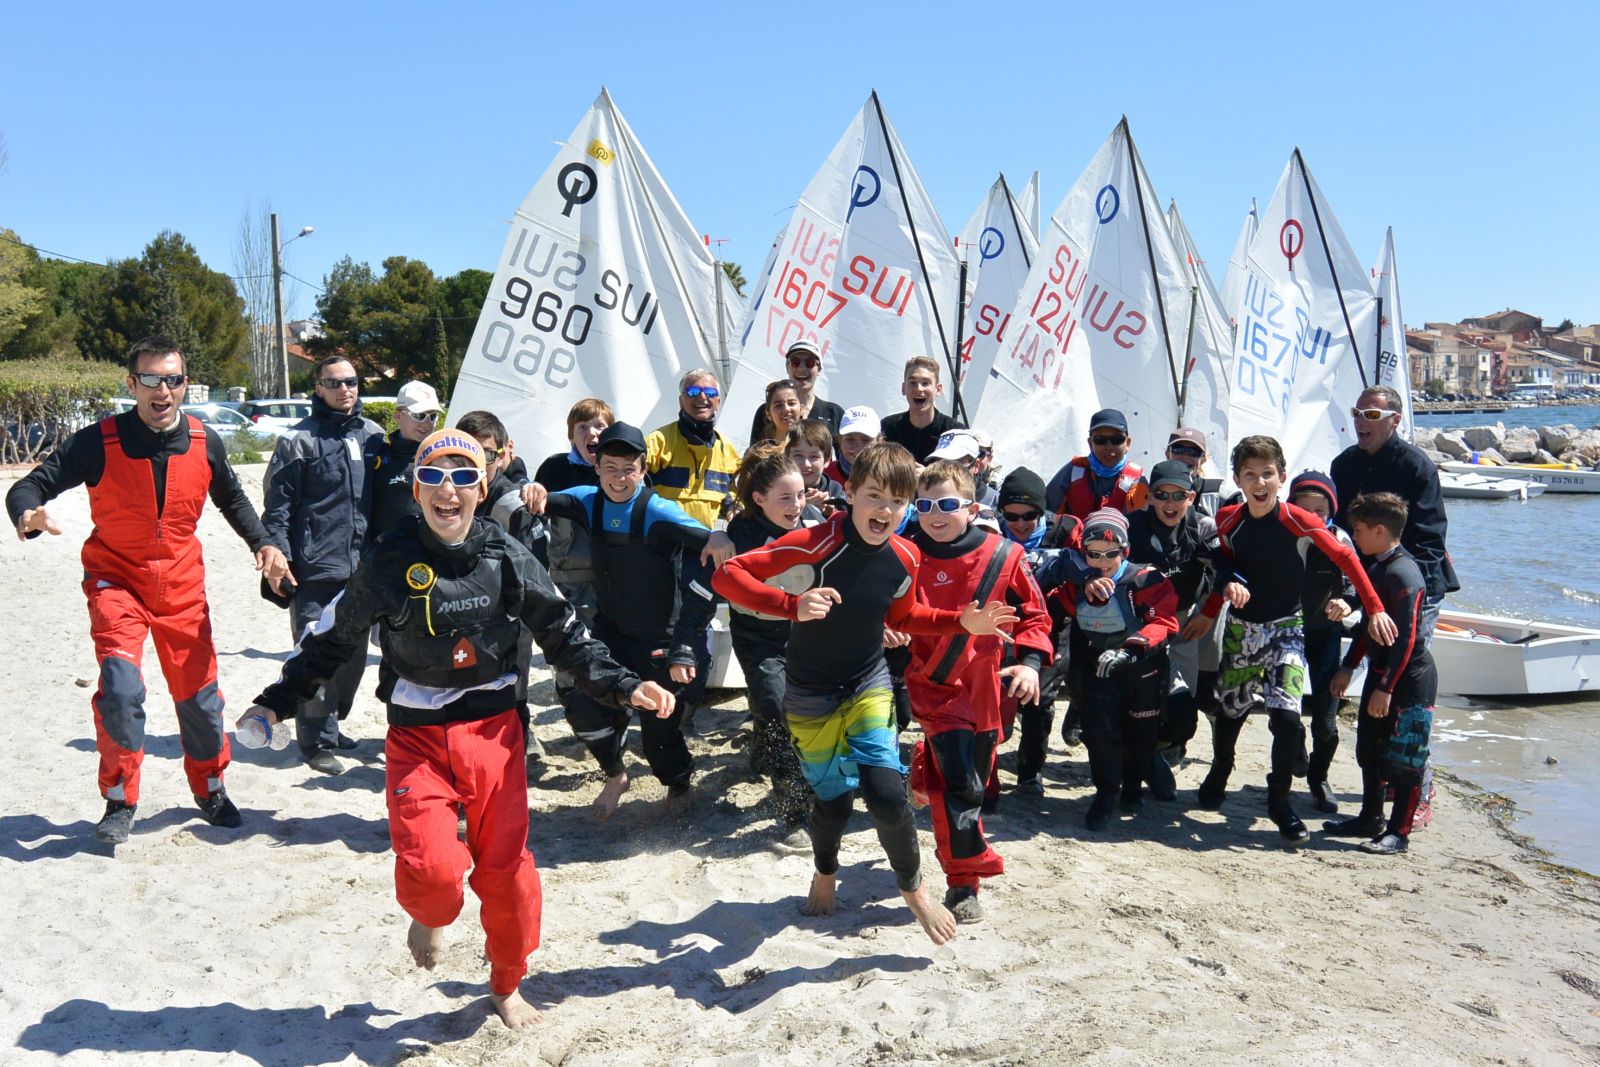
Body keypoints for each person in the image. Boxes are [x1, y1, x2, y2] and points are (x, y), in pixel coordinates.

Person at [237, 429, 675, 1029]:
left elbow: (565, 634)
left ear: (482, 487)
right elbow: (331, 641)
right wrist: (272, 704)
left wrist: (626, 685)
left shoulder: (506, 555)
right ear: (416, 489)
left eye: (464, 476)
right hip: (416, 740)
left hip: (495, 736)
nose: (450, 490)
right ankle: (429, 914)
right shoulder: (388, 559)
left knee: (509, 875)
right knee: (433, 873)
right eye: (435, 477)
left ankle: (506, 983)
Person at [712, 442, 1019, 945]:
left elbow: (904, 616)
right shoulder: (814, 542)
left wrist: (961, 621)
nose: (885, 510)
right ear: (849, 492)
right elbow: (727, 575)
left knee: (886, 792)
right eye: (874, 496)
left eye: (898, 501)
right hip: (810, 693)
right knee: (833, 804)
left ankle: (915, 890)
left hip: (867, 681)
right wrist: (792, 605)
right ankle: (825, 870)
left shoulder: (906, 554)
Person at [6, 336, 288, 844]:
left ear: (185, 383)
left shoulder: (204, 440)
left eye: (173, 380)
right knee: (120, 690)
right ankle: (119, 800)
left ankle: (210, 787)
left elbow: (232, 499)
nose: (164, 391)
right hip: (116, 582)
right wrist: (28, 513)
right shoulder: (99, 441)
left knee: (200, 699)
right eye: (152, 380)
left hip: (181, 586)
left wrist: (264, 543)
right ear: (132, 384)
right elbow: (28, 486)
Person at [1190, 436, 1394, 845]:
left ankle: (1279, 801)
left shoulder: (1299, 520)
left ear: (1281, 477)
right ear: (1237, 480)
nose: (1260, 482)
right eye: (1250, 475)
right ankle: (1221, 768)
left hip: (1287, 628)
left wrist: (1373, 608)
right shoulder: (1228, 520)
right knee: (1231, 711)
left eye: (1268, 474)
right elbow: (1226, 567)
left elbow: (1347, 558)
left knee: (1286, 718)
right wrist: (1210, 611)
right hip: (1242, 630)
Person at [540, 423, 727, 819]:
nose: (619, 478)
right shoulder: (588, 501)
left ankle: (678, 782)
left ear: (643, 470)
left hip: (658, 638)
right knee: (583, 705)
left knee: (658, 728)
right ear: (597, 467)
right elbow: (544, 499)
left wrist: (720, 539)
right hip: (609, 631)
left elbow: (708, 539)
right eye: (611, 467)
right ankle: (615, 773)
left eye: (629, 468)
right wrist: (533, 491)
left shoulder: (656, 510)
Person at [904, 461, 1052, 921]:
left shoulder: (1005, 555)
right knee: (963, 785)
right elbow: (881, 608)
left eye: (947, 504)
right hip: (933, 683)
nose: (935, 515)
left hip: (987, 687)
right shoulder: (904, 554)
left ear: (971, 508)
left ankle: (920, 772)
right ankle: (963, 883)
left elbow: (1036, 615)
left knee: (973, 779)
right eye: (924, 505)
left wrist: (1029, 663)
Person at [1331, 384, 1458, 828]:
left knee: (1404, 689)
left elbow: (1430, 540)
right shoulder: (1344, 464)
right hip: (1368, 585)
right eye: (1357, 412)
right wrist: (1353, 592)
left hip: (1412, 586)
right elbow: (1340, 534)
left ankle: (1420, 787)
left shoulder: (1417, 466)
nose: (1361, 421)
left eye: (1371, 415)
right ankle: (1380, 787)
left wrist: (1393, 588)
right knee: (1374, 685)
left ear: (1395, 421)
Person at [262, 354, 384, 774]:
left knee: (351, 660)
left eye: (351, 381)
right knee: (316, 658)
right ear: (318, 388)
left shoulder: (373, 436)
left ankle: (332, 723)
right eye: (334, 383)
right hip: (315, 570)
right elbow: (276, 510)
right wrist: (278, 557)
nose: (344, 389)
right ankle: (315, 742)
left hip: (363, 570)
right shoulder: (298, 440)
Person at [1050, 509, 1179, 831]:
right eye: (1093, 554)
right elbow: (1051, 606)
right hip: (1101, 666)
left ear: (1126, 550)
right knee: (1099, 734)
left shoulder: (1146, 580)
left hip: (1144, 668)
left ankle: (1133, 787)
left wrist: (1132, 649)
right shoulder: (1077, 586)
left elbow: (1164, 622)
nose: (1102, 562)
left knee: (1142, 734)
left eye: (1111, 554)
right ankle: (1106, 794)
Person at [1324, 492, 1438, 855]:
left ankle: (1398, 833)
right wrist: (1349, 666)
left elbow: (1408, 638)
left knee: (1405, 759)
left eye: (1358, 530)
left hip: (1410, 678)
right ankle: (1370, 818)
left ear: (1379, 530)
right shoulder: (1375, 566)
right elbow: (1367, 627)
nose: (1354, 536)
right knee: (1369, 749)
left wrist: (1386, 688)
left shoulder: (1404, 573)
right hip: (1382, 670)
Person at [722, 444, 822, 826]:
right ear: (759, 499)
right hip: (758, 637)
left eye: (800, 495)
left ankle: (762, 750)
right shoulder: (741, 533)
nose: (796, 505)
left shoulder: (814, 522)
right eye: (785, 498)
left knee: (798, 711)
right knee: (779, 710)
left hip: (805, 636)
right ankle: (792, 808)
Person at [1129, 460, 1219, 796]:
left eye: (1178, 495)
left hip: (1183, 624)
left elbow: (1227, 573)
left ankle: (1154, 752)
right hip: (1138, 625)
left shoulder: (1202, 527)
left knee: (1184, 714)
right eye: (1161, 495)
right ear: (1149, 497)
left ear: (1191, 497)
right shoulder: (1131, 526)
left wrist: (1207, 613)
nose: (1170, 503)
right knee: (1136, 701)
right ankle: (1139, 761)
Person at [994, 467, 1079, 795]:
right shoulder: (990, 530)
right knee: (993, 698)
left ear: (1042, 511)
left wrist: (1059, 603)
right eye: (1011, 516)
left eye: (1029, 515)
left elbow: (1086, 571)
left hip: (1051, 628)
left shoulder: (1065, 530)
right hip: (1000, 628)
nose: (1019, 523)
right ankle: (986, 766)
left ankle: (1030, 772)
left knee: (1038, 700)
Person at [1286, 471, 1356, 815]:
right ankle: (1295, 739)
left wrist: (1348, 602)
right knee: (1284, 715)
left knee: (1326, 723)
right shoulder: (1279, 534)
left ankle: (1319, 777)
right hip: (1285, 634)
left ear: (1331, 511)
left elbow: (1357, 582)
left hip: (1325, 633)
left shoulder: (1340, 538)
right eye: (1305, 510)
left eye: (1321, 511)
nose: (1313, 517)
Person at [647, 369, 742, 530]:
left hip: (706, 542)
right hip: (663, 541)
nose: (702, 397)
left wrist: (734, 508)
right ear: (681, 401)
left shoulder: (728, 451)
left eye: (710, 393)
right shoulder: (658, 441)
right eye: (693, 391)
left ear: (718, 402)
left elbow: (732, 495)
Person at [367, 381, 444, 541]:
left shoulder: (443, 460)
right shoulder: (377, 454)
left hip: (425, 550)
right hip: (378, 550)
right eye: (419, 415)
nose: (427, 423)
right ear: (398, 415)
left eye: (433, 416)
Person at [1045, 409, 1146, 520]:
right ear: (1090, 444)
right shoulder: (1074, 471)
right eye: (1100, 440)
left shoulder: (1137, 479)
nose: (1109, 447)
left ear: (1128, 443)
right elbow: (1046, 512)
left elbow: (1145, 521)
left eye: (1117, 439)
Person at [748, 339, 846, 445]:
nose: (802, 368)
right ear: (787, 367)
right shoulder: (766, 411)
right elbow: (755, 451)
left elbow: (844, 453)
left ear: (819, 368)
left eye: (809, 363)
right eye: (795, 362)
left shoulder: (834, 413)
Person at [879, 356, 965, 463]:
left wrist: (927, 473)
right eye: (912, 383)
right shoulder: (887, 429)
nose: (919, 389)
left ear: (938, 390)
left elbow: (963, 472)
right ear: (903, 388)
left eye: (926, 383)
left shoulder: (955, 432)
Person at [927, 430, 999, 507]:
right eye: (940, 463)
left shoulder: (992, 500)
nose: (946, 471)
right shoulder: (923, 495)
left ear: (975, 465)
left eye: (956, 465)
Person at [784, 419, 843, 513]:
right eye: (798, 455)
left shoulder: (836, 491)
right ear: (786, 458)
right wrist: (803, 507)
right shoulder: (778, 491)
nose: (806, 464)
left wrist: (831, 512)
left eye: (814, 456)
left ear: (827, 460)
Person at [825, 405, 880, 486]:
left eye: (866, 440)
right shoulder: (824, 475)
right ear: (840, 440)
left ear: (879, 440)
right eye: (850, 439)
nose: (858, 447)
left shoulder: (892, 475)